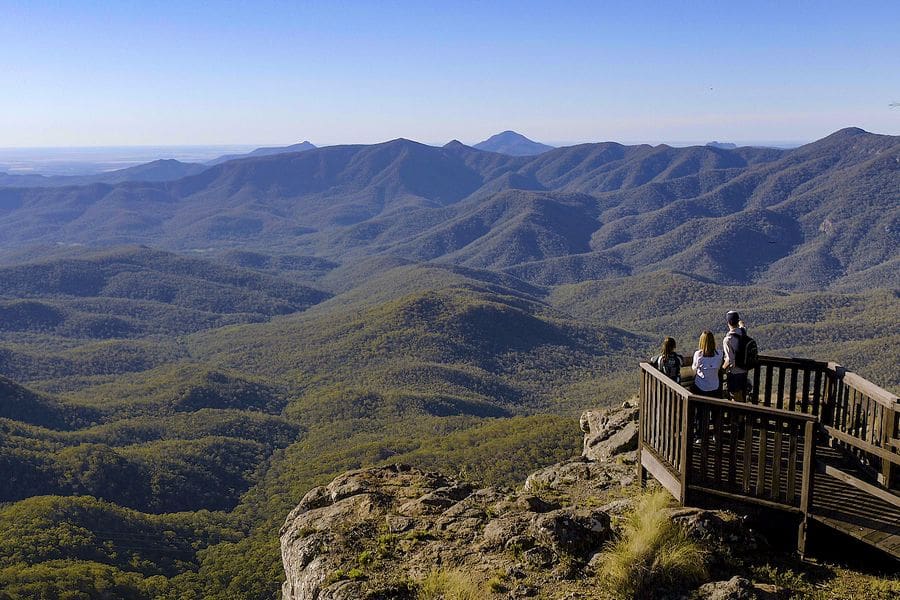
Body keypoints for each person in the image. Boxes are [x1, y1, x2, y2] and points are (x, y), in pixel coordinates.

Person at [723, 310, 748, 402]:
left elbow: (730, 360)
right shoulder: (743, 332)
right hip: (744, 371)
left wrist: (721, 369)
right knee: (742, 396)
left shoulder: (728, 339)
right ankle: (741, 415)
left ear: (728, 322)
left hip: (734, 374)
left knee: (735, 398)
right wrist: (741, 324)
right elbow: (743, 327)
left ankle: (736, 416)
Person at [691, 330, 723, 397]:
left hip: (700, 387)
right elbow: (720, 367)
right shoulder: (719, 354)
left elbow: (694, 368)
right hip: (715, 387)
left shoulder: (698, 355)